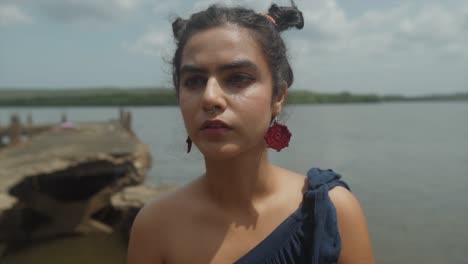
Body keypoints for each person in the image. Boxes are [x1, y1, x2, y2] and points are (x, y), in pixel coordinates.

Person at [127, 1, 374, 263]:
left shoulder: (330, 212)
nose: (210, 98)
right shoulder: (156, 227)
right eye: (194, 81)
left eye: (238, 78)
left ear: (278, 95)